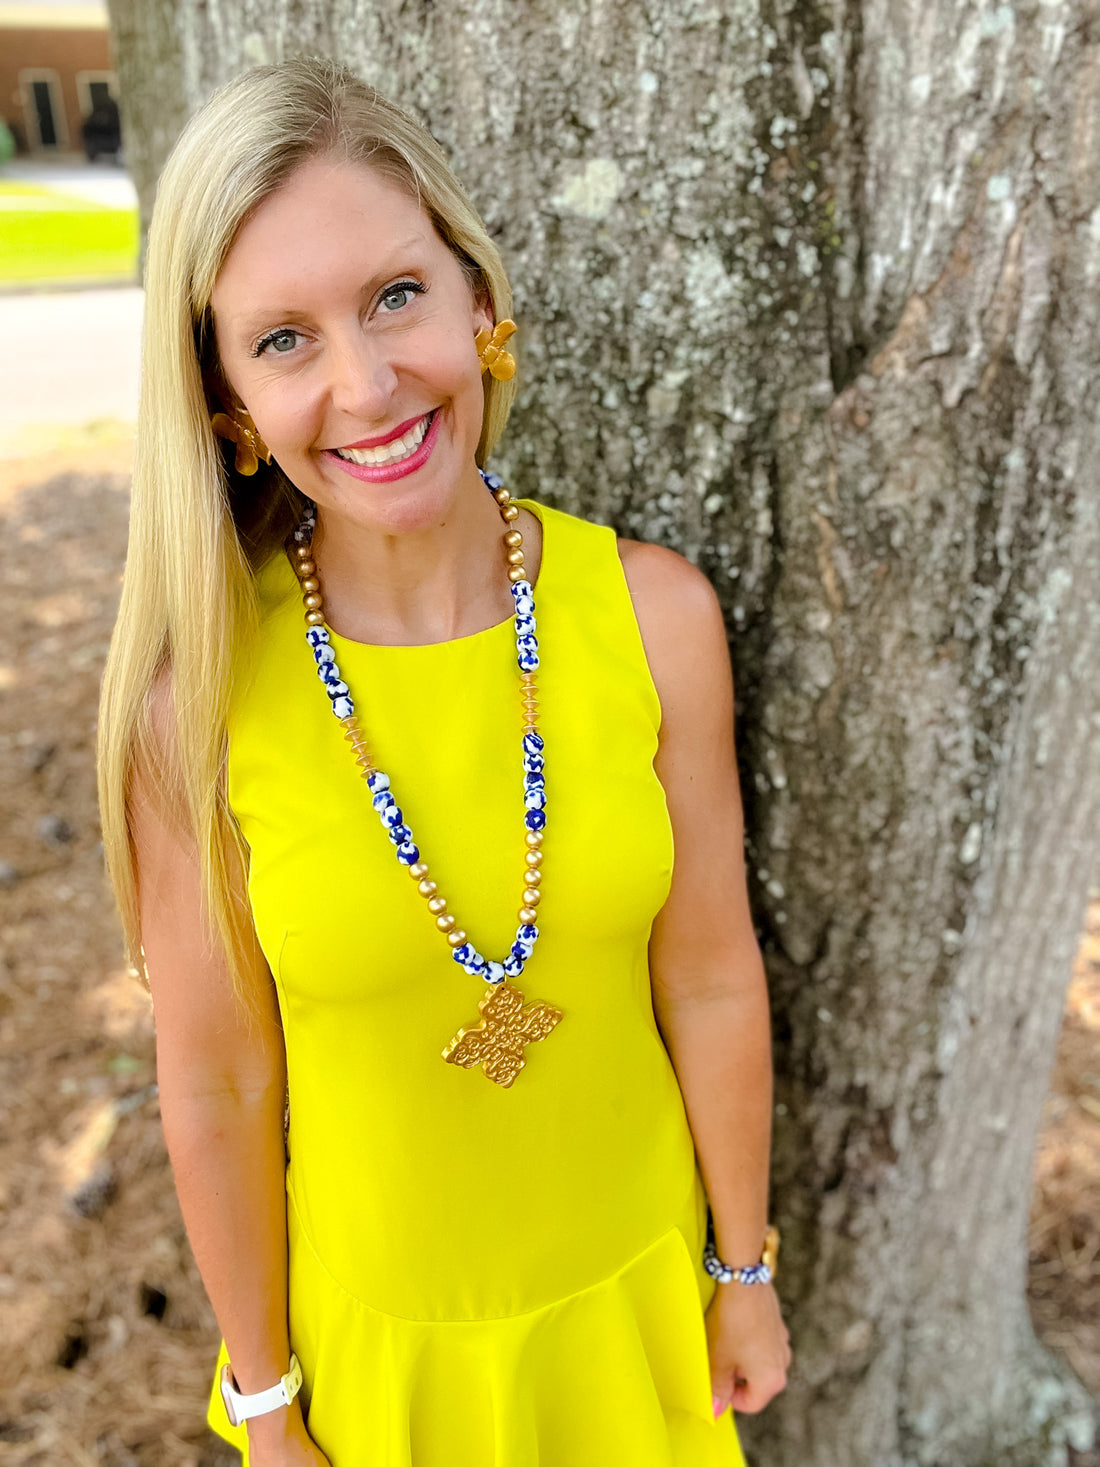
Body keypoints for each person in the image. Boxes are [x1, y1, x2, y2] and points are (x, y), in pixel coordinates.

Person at [96, 55, 790, 1467]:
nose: (365, 384)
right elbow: (219, 1083)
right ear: (227, 403)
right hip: (382, 1368)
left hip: (637, 1318)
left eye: (395, 296)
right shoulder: (200, 703)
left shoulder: (654, 618)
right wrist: (267, 1403)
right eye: (282, 340)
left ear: (478, 301)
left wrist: (743, 1267)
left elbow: (712, 973)